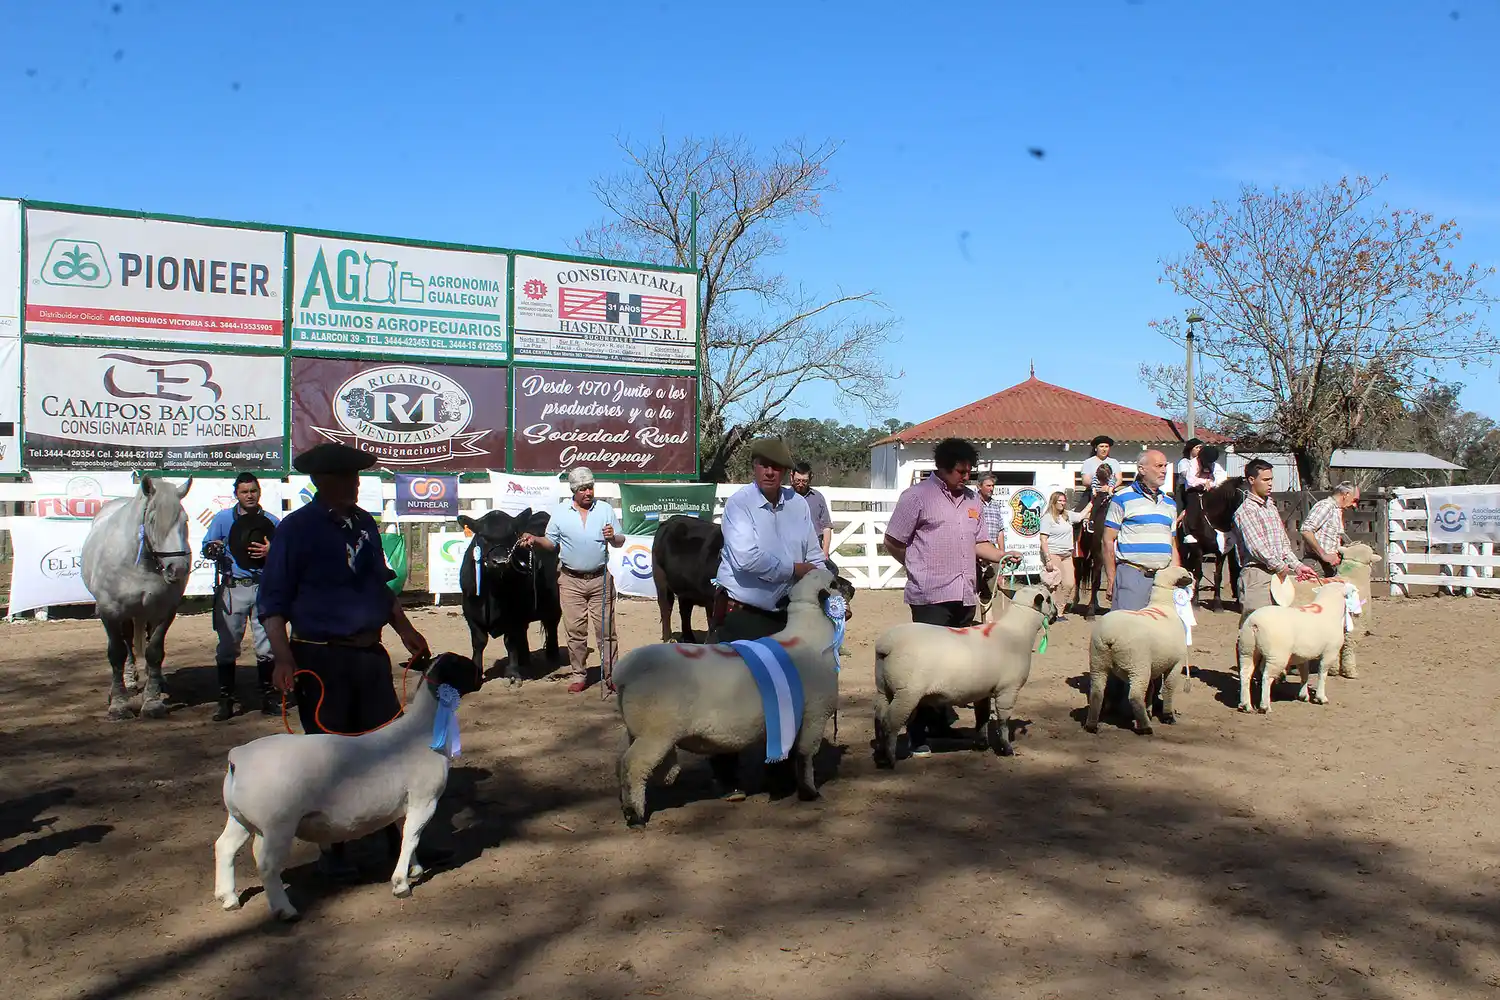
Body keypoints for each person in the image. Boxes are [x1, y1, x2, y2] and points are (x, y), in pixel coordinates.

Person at [258, 442, 442, 881]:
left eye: (357, 478)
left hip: (370, 656)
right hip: (320, 658)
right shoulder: (296, 530)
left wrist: (405, 630)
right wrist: (282, 657)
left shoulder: (366, 526)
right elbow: (272, 602)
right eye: (345, 478)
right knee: (330, 753)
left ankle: (395, 843)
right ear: (322, 482)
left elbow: (380, 586)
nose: (355, 485)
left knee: (388, 747)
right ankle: (333, 851)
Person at [709, 438, 826, 800]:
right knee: (730, 692)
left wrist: (825, 589)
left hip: (785, 615)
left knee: (787, 692)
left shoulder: (799, 507)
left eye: (777, 466)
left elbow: (815, 556)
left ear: (788, 472)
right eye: (763, 464)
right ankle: (727, 774)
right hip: (742, 611)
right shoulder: (739, 504)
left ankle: (777, 769)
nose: (770, 471)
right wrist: (796, 569)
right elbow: (747, 559)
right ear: (754, 467)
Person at [883, 437, 1013, 757]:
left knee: (956, 667)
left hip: (964, 594)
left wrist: (1000, 556)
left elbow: (979, 542)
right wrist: (915, 566)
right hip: (929, 594)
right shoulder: (916, 497)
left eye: (969, 470)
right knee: (926, 668)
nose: (965, 476)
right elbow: (893, 540)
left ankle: (941, 726)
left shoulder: (973, 502)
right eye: (959, 471)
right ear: (941, 468)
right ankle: (916, 734)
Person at [520, 466, 624, 693]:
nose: (588, 492)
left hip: (600, 579)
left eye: (590, 487)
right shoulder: (560, 513)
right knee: (575, 631)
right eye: (583, 489)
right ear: (574, 491)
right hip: (570, 580)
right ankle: (579, 674)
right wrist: (536, 540)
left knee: (606, 630)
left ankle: (611, 674)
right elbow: (551, 543)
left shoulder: (605, 509)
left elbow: (620, 540)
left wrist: (613, 537)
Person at [202, 472, 281, 721]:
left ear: (259, 492)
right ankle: (225, 700)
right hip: (234, 587)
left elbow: (287, 552)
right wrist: (212, 548)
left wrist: (273, 548)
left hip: (264, 587)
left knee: (266, 645)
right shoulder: (224, 518)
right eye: (244, 491)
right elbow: (207, 545)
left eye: (253, 491)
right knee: (227, 645)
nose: (249, 495)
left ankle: (268, 697)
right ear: (236, 494)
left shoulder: (272, 520)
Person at [1232, 458, 1318, 627]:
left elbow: (1283, 543)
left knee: (1277, 629)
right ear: (1251, 480)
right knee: (1256, 627)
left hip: (1276, 574)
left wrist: (1297, 566)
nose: (1270, 484)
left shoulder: (1270, 507)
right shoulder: (1246, 511)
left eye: (1271, 479)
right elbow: (1256, 547)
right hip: (1257, 575)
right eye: (1265, 480)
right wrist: (1279, 565)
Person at [1100, 449, 1180, 612]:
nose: (1164, 470)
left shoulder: (1170, 504)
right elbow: (1108, 540)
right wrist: (1111, 578)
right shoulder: (1122, 498)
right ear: (1142, 469)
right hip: (1132, 575)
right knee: (1127, 632)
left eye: (1165, 466)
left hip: (1162, 579)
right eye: (1159, 466)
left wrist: (1176, 576)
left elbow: (1172, 544)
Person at [1038, 489, 1088, 618]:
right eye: (1060, 501)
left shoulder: (1067, 515)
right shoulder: (1047, 518)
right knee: (1053, 585)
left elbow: (1082, 515)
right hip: (1053, 553)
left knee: (1069, 583)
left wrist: (1093, 499)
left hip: (1066, 554)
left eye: (1064, 501)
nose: (1062, 503)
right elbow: (1043, 539)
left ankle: (1059, 609)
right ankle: (1052, 613)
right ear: (1053, 502)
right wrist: (1048, 559)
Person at [1300, 482, 1359, 577]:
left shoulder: (1337, 510)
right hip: (1316, 564)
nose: (1355, 505)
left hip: (1327, 566)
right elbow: (1306, 530)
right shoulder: (1326, 506)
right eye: (1354, 500)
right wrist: (1324, 555)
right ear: (1346, 494)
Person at [790, 461, 835, 558]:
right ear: (791, 477)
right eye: (797, 480)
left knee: (831, 572)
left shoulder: (818, 498)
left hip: (815, 548)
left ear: (810, 479)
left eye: (804, 481)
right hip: (791, 549)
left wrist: (825, 552)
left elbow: (826, 527)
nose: (801, 484)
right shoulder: (784, 497)